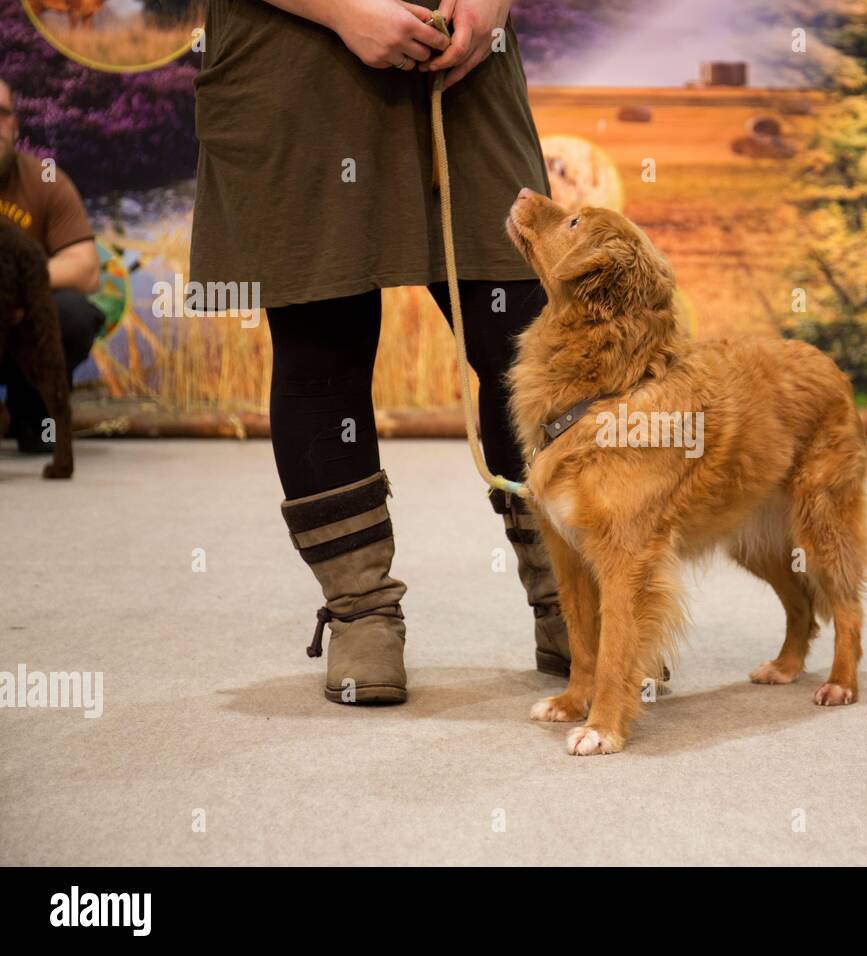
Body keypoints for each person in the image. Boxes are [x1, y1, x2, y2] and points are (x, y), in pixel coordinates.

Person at [188, 0, 572, 705]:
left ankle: (572, 602)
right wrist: (340, 11)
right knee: (321, 335)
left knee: (526, 335)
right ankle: (361, 613)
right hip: (292, 49)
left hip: (463, 59)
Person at [0, 77, 105, 454]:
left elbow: (86, 269)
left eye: (2, 114)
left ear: (15, 125)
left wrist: (13, 287)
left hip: (26, 333)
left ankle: (31, 409)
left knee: (74, 313)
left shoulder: (47, 180)